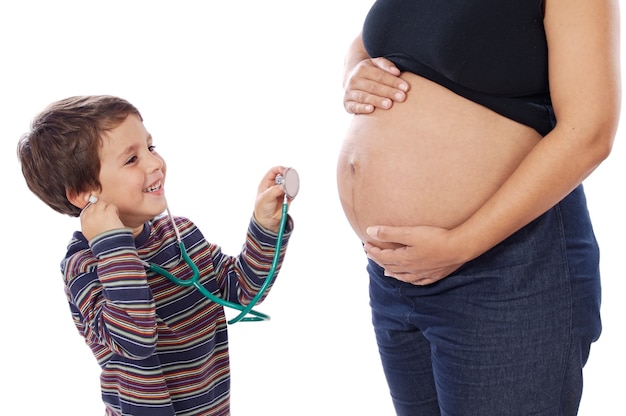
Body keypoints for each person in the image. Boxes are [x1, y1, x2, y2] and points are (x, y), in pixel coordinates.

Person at [336, 1, 620, 415]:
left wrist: (460, 245)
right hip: (394, 278)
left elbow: (590, 132)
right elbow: (375, 40)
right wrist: (354, 71)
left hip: (509, 274)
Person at [17, 95, 295, 416]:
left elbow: (244, 289)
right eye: (131, 159)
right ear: (84, 193)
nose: (155, 163)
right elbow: (135, 339)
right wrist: (113, 245)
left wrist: (265, 225)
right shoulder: (85, 266)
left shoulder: (181, 235)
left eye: (150, 147)